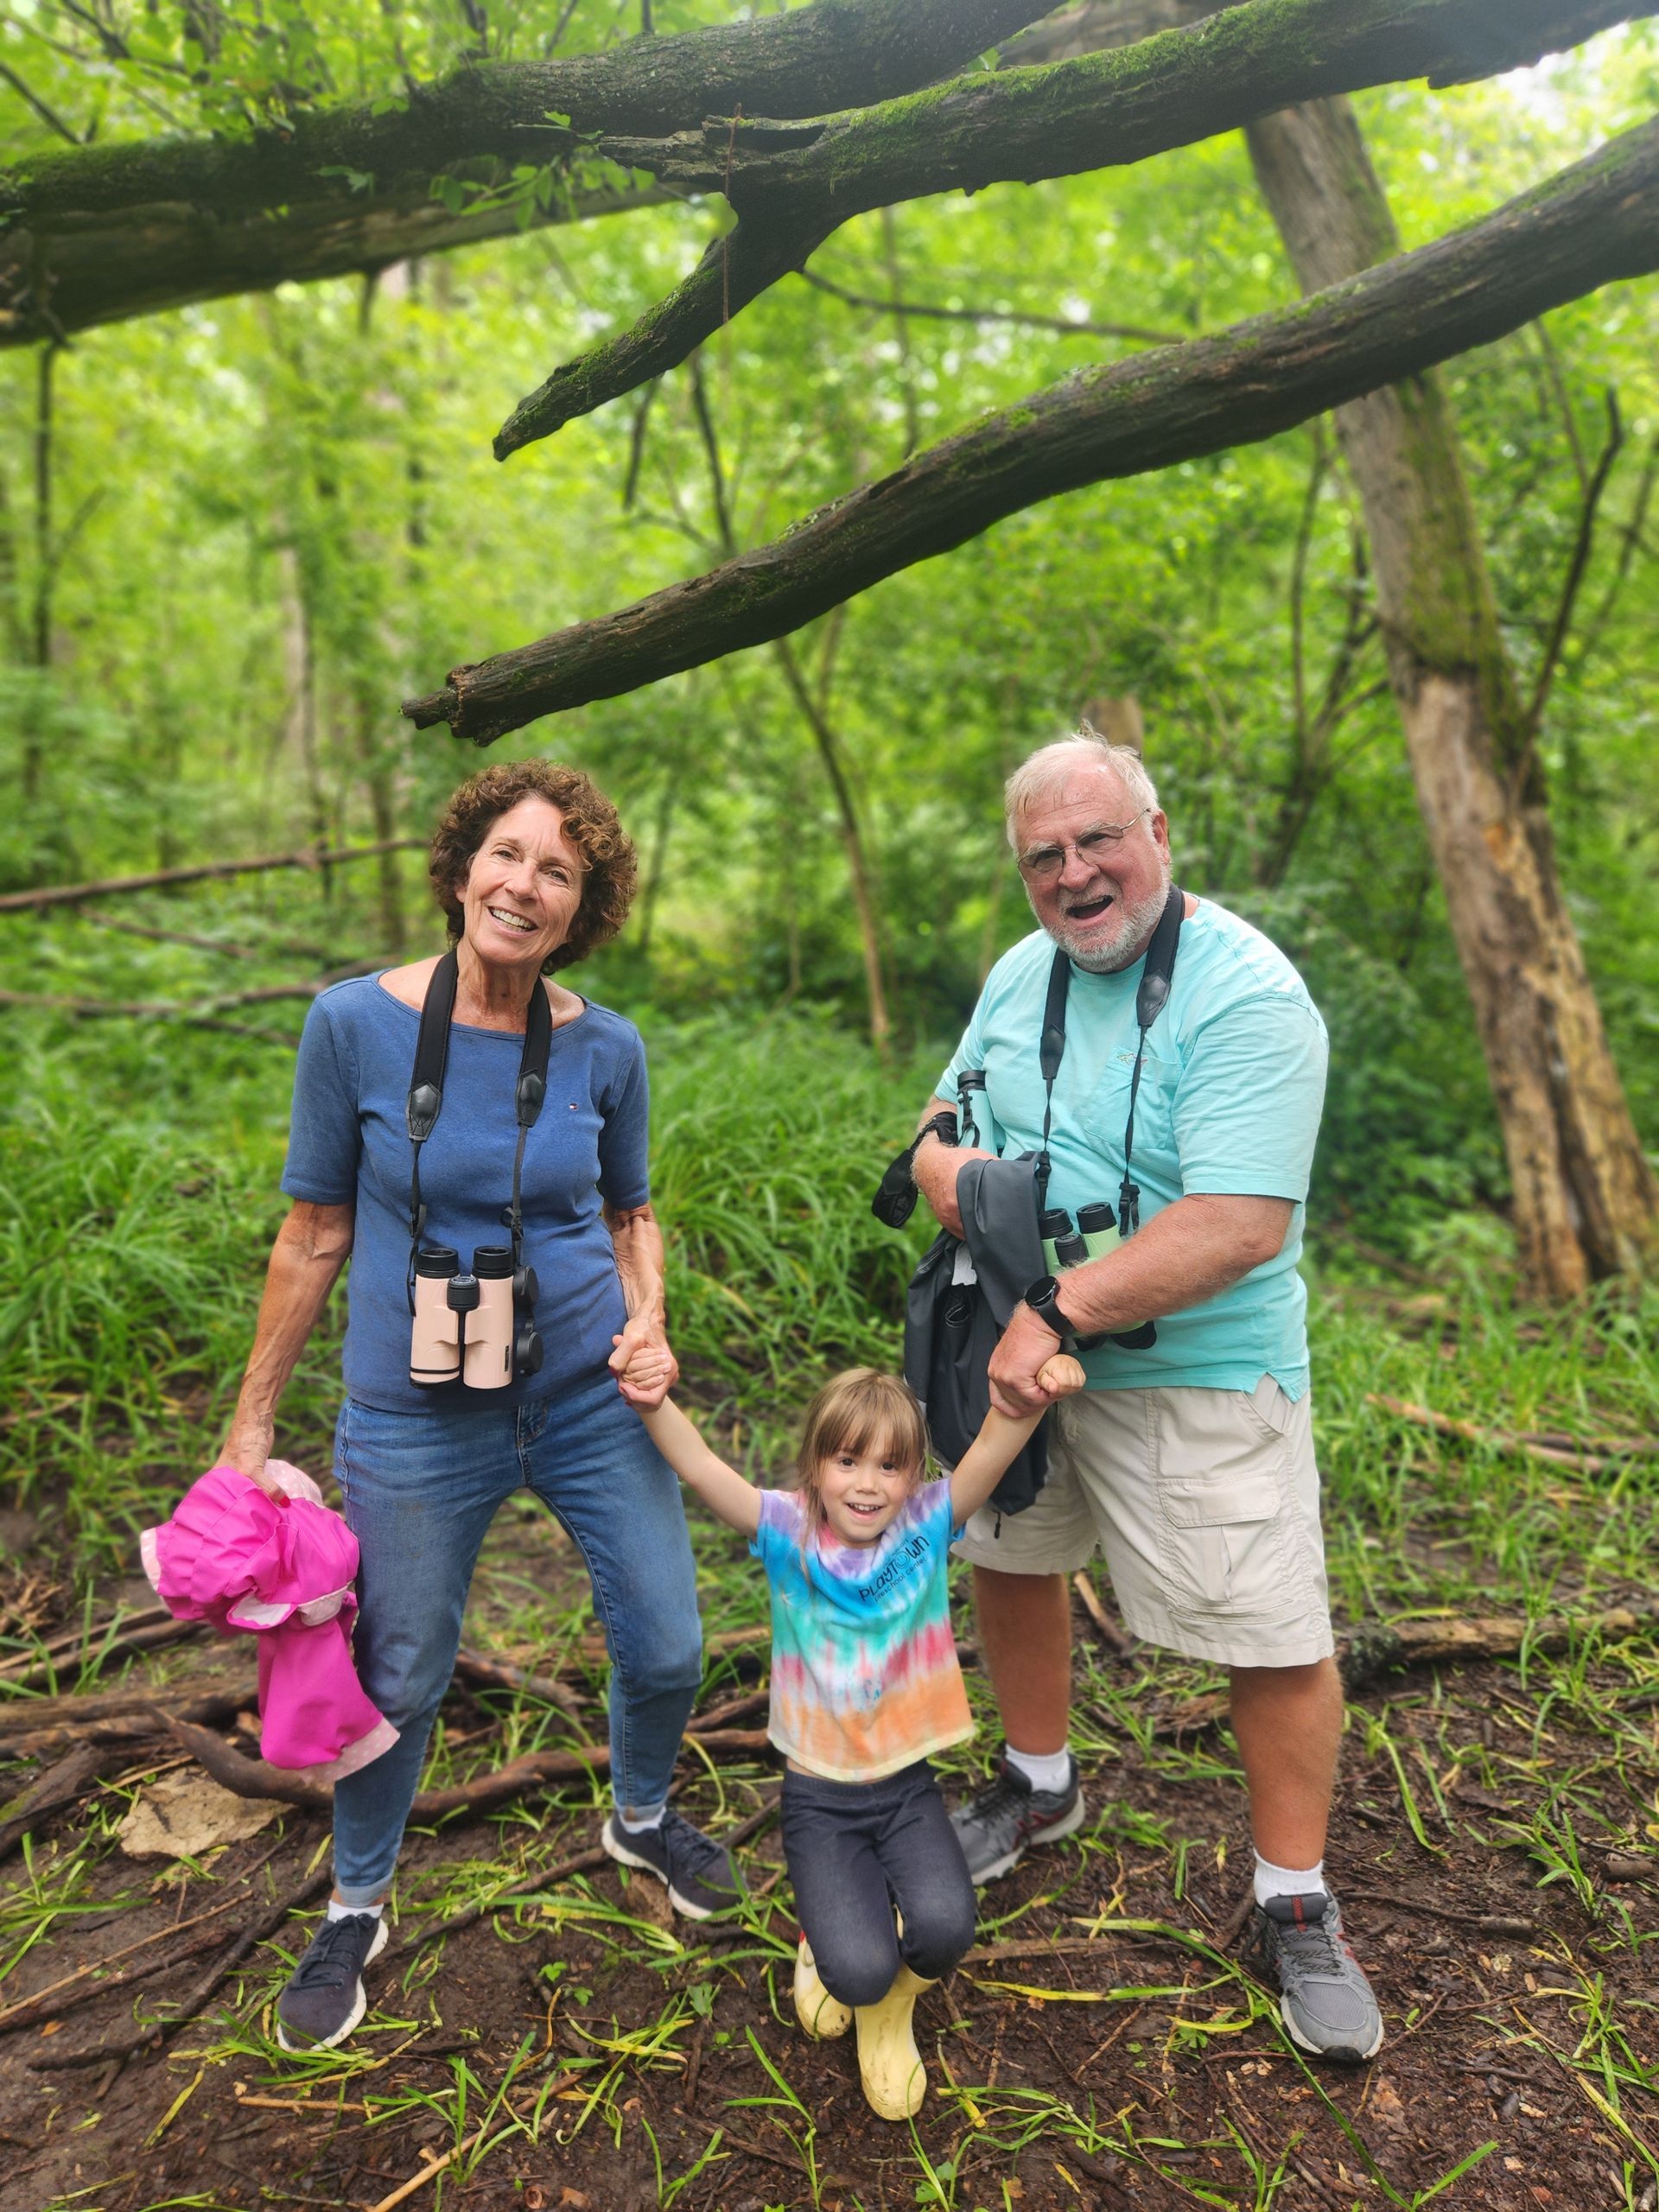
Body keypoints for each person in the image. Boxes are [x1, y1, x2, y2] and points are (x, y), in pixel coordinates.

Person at [220, 759, 728, 2056]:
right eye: (508, 854)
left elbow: (631, 1210)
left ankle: (642, 1810)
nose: (525, 884)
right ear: (461, 868)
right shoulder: (354, 1026)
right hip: (412, 1412)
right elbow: (315, 1228)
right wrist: (251, 1428)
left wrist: (649, 1320)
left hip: (584, 1395)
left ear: (581, 906)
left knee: (669, 1644)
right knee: (398, 1668)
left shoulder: (606, 1046)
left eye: (558, 871)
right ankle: (358, 1899)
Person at [911, 729, 1382, 2065]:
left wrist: (1058, 1307)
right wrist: (958, 1189)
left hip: (1196, 1367)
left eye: (1097, 839)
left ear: (1157, 834)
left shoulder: (1246, 994)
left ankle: (1295, 1899)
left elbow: (1236, 1221)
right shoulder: (1018, 975)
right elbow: (938, 1127)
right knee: (1012, 1557)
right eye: (1044, 855)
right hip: (1014, 1357)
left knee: (1272, 1631)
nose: (1075, 872)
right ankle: (1037, 1785)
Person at [634, 1358, 1083, 2120]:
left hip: (908, 1788)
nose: (868, 1483)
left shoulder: (924, 1529)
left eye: (889, 1465)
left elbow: (991, 1450)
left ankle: (890, 2012)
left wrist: (1033, 1396)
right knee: (855, 1967)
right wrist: (653, 1402)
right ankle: (832, 1947)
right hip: (818, 1796)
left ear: (913, 1477)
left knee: (943, 1933)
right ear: (815, 1467)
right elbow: (702, 1466)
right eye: (848, 1461)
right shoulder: (787, 1531)